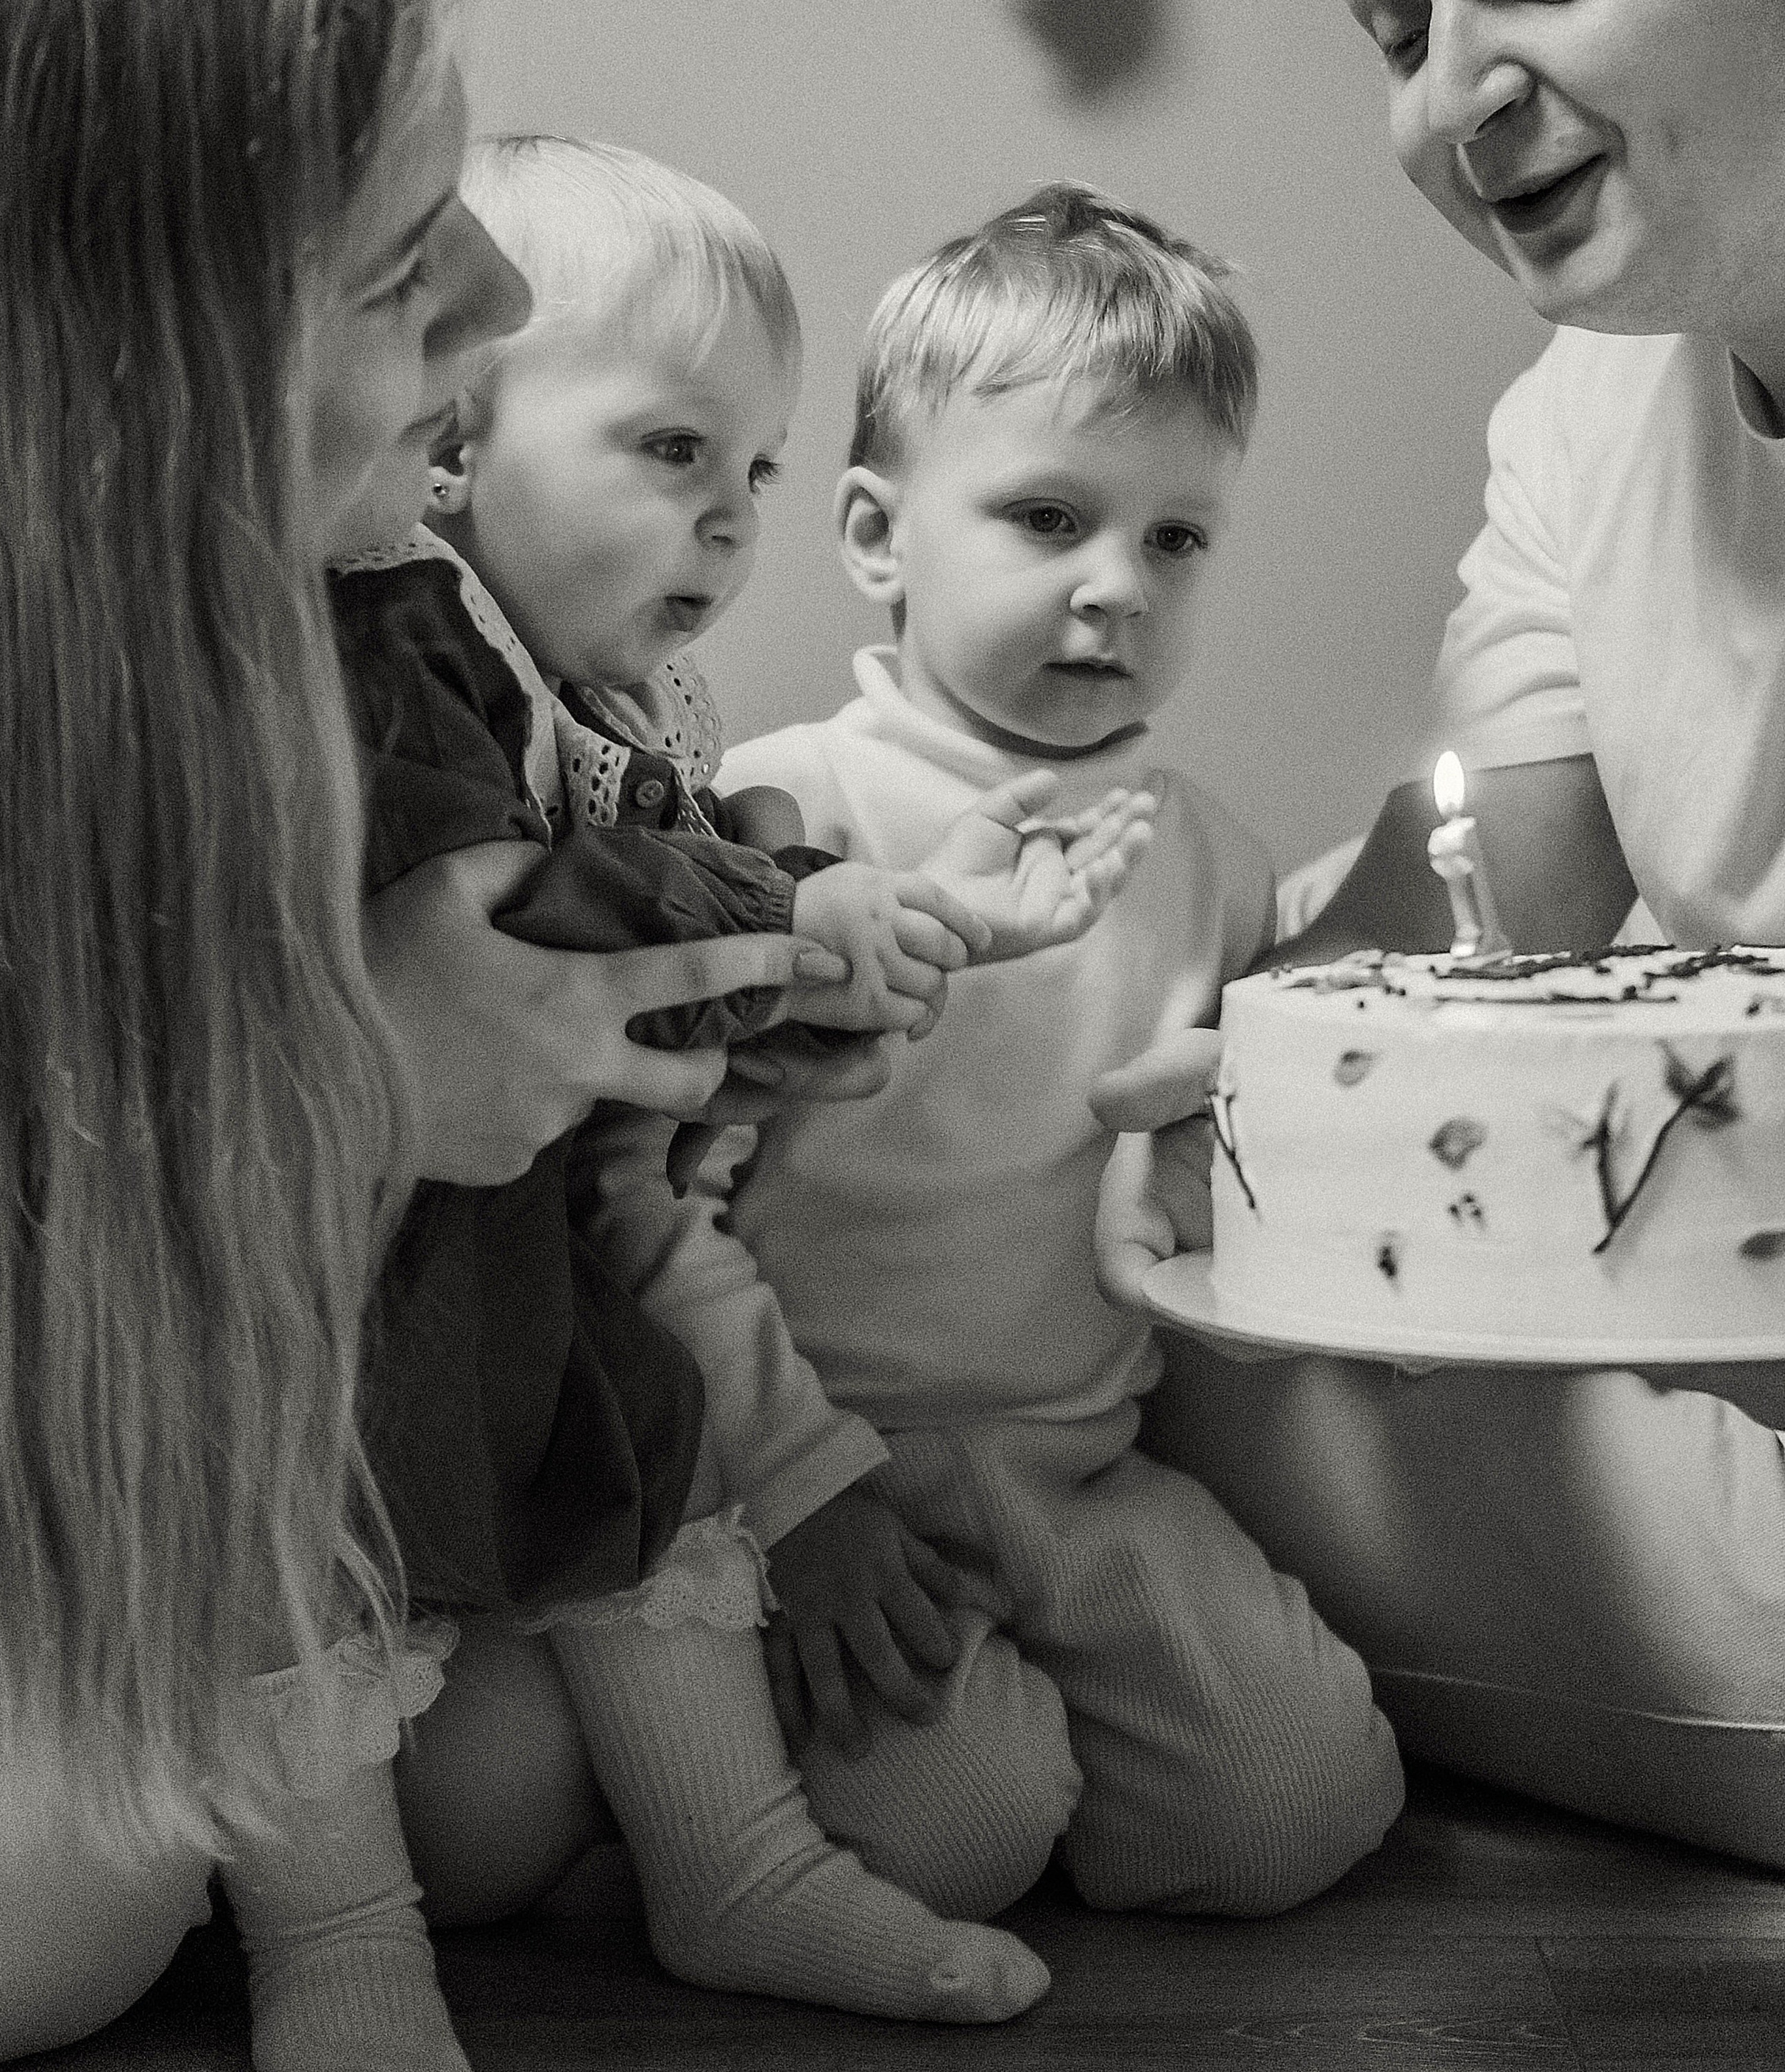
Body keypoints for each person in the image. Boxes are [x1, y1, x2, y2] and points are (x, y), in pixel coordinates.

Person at [0, 0, 824, 2072]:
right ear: (127, 333)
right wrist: (352, 1097)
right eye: (403, 253)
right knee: (37, 1922)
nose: (498, 306)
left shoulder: (221, 661)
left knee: (489, 1779)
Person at [326, 134, 1177, 2023]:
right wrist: (804, 912)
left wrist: (859, 957)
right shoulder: (400, 648)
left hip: (540, 1306)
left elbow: (677, 1029)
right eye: (669, 450)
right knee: (325, 1641)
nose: (729, 521)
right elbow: (529, 926)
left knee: (655, 1491)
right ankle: (341, 1951)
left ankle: (739, 1872)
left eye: (753, 470)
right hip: (346, 1313)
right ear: (453, 442)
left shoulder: (611, 710)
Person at [1111, 0, 1785, 1866]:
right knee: (1108, 1320)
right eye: (1398, 27)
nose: (1452, 104)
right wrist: (1270, 1063)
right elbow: (1494, 910)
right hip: (1724, 1304)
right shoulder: (1590, 413)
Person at [588, 185, 1406, 1920]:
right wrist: (793, 1499)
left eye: (1175, 539)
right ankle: (688, 1781)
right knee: (954, 1832)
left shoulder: (1208, 855)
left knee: (1293, 1814)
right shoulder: (791, 818)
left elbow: (1214, 1167)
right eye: (1048, 518)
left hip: (1083, 1465)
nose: (1116, 585)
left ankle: (1030, 1756)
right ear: (878, 536)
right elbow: (650, 1205)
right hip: (813, 1465)